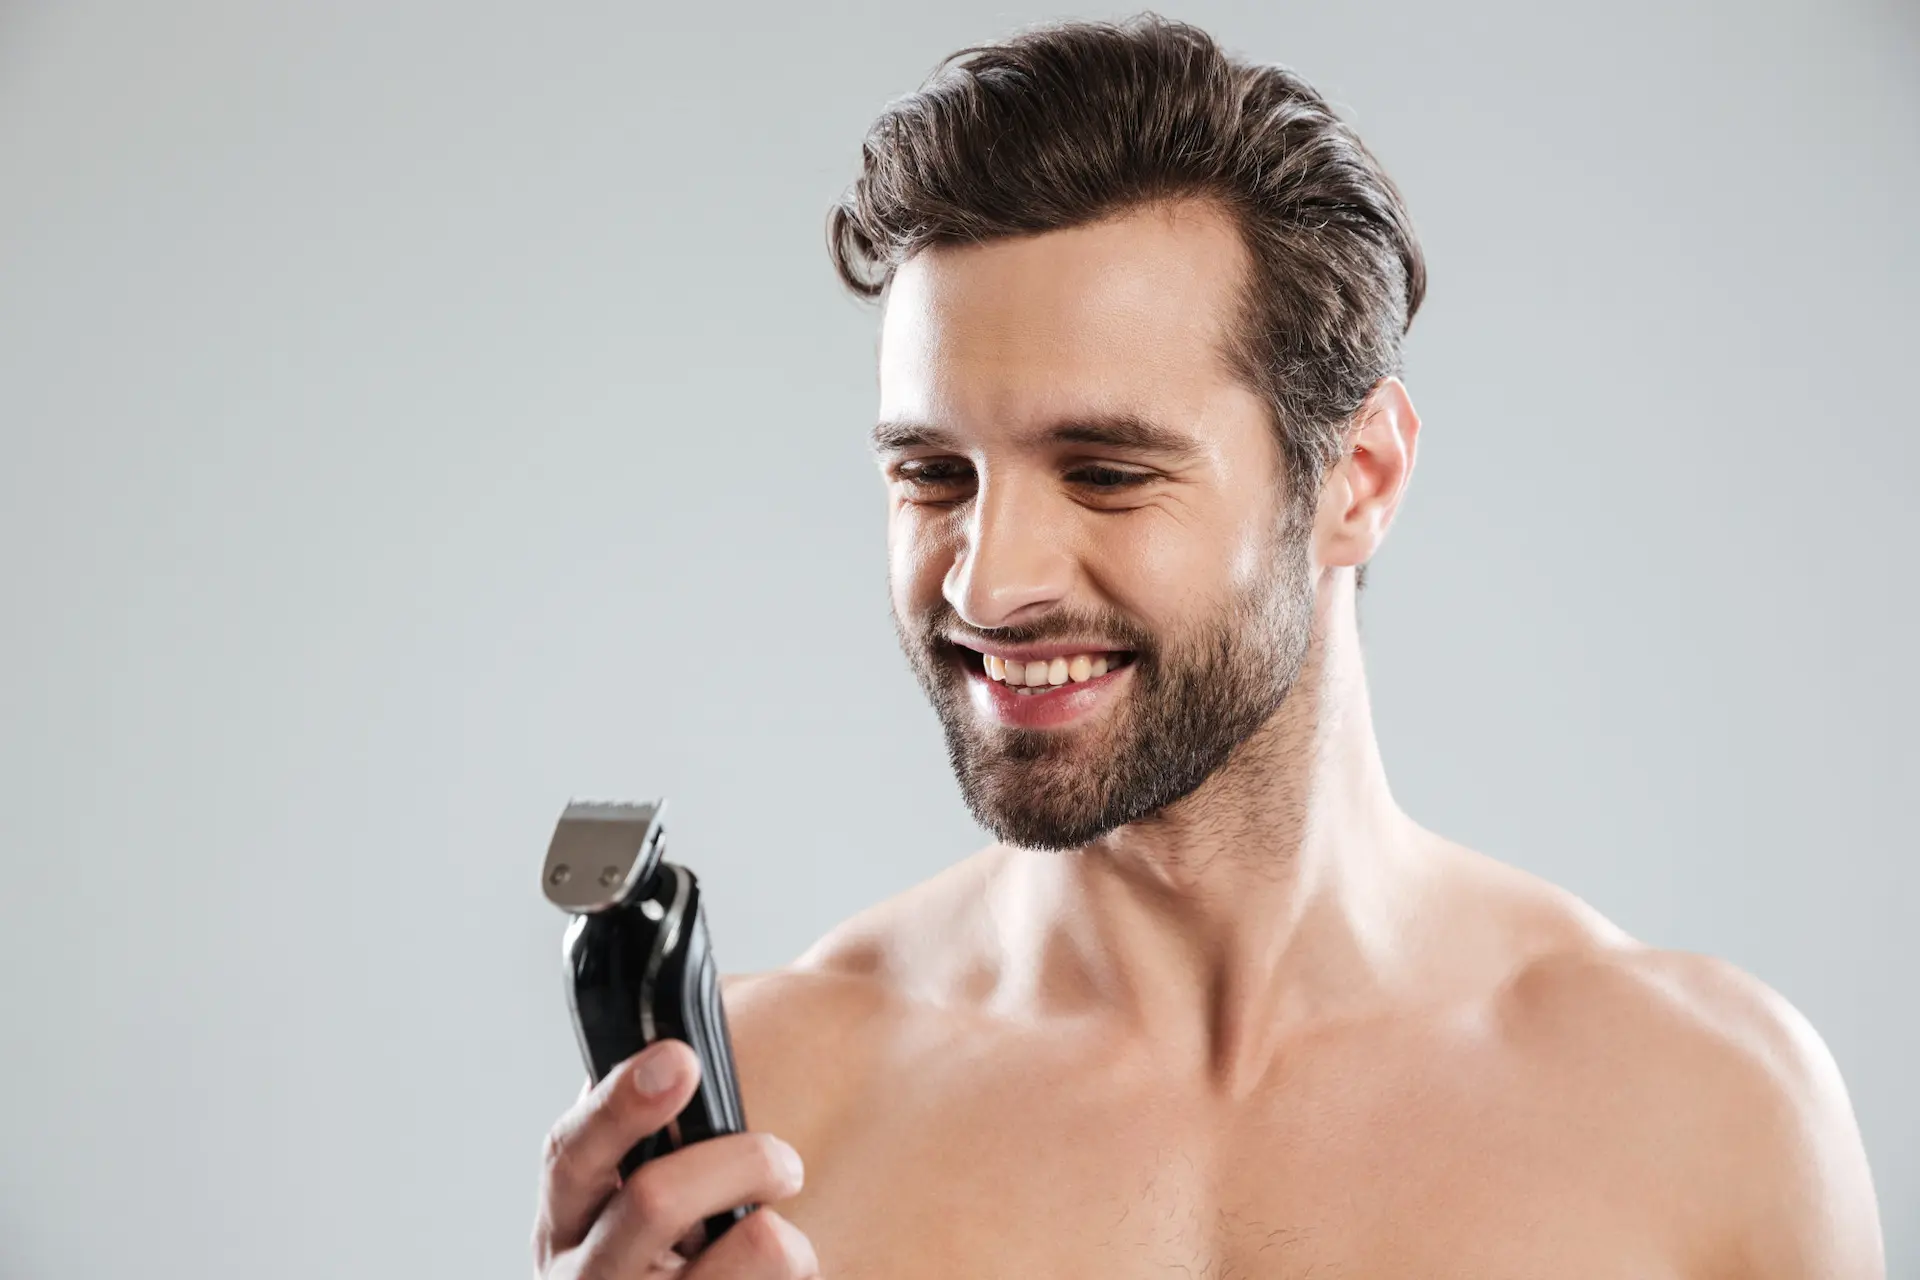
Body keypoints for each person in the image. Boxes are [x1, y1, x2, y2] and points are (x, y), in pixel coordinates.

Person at [531, 16, 1886, 1278]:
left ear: (1356, 478)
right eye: (935, 476)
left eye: (1108, 473)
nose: (990, 583)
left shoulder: (1710, 1111)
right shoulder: (761, 1117)